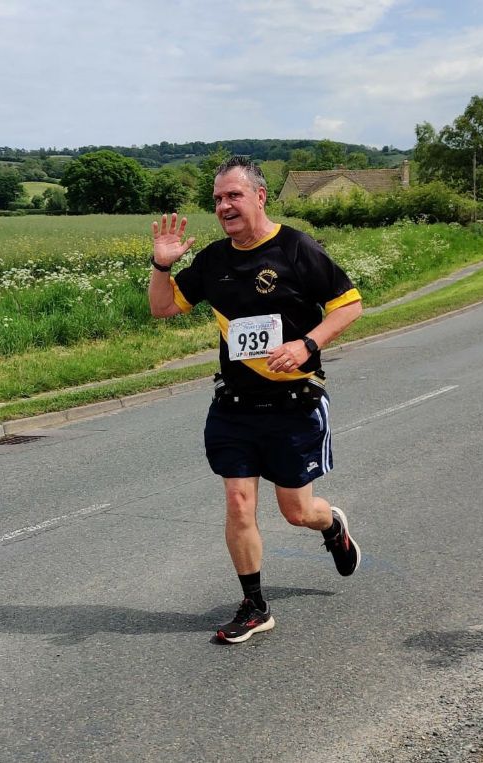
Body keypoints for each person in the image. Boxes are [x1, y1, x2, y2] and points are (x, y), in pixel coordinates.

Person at [149, 156, 362, 644]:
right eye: (218, 198)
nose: (224, 206)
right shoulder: (214, 261)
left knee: (296, 511)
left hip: (294, 404)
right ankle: (254, 605)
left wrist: (308, 344)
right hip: (235, 405)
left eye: (233, 196)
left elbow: (348, 304)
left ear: (260, 196)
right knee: (238, 501)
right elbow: (162, 307)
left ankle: (330, 526)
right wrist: (163, 264)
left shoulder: (295, 247)